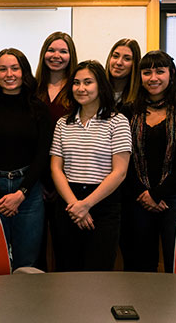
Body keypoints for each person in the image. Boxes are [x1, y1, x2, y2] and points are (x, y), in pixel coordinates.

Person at [0, 48, 51, 269]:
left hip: (28, 193)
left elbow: (42, 155)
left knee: (27, 263)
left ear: (24, 71)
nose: (9, 74)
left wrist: (21, 193)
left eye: (15, 68)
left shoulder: (39, 109)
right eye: (2, 69)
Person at [120, 50, 176, 273]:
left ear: (171, 74)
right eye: (147, 72)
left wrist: (158, 193)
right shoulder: (127, 111)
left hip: (175, 196)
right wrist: (144, 193)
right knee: (139, 263)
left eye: (159, 71)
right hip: (137, 196)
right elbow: (122, 157)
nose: (153, 77)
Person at [50, 60, 131, 271]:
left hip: (103, 204)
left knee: (98, 273)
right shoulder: (63, 123)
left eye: (88, 82)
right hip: (68, 204)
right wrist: (75, 205)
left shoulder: (118, 121)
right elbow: (56, 168)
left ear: (100, 86)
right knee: (66, 272)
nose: (81, 88)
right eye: (76, 83)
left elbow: (120, 172)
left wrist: (86, 205)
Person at [34, 31, 77, 271]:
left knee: (65, 248)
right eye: (51, 50)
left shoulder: (78, 89)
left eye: (63, 51)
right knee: (36, 249)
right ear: (43, 54)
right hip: (36, 182)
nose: (56, 56)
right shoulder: (32, 88)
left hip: (68, 181)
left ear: (71, 56)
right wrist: (39, 182)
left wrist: (59, 185)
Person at [105, 38, 142, 106]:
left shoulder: (141, 96)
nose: (119, 62)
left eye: (127, 59)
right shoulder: (96, 89)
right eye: (115, 56)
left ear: (135, 64)